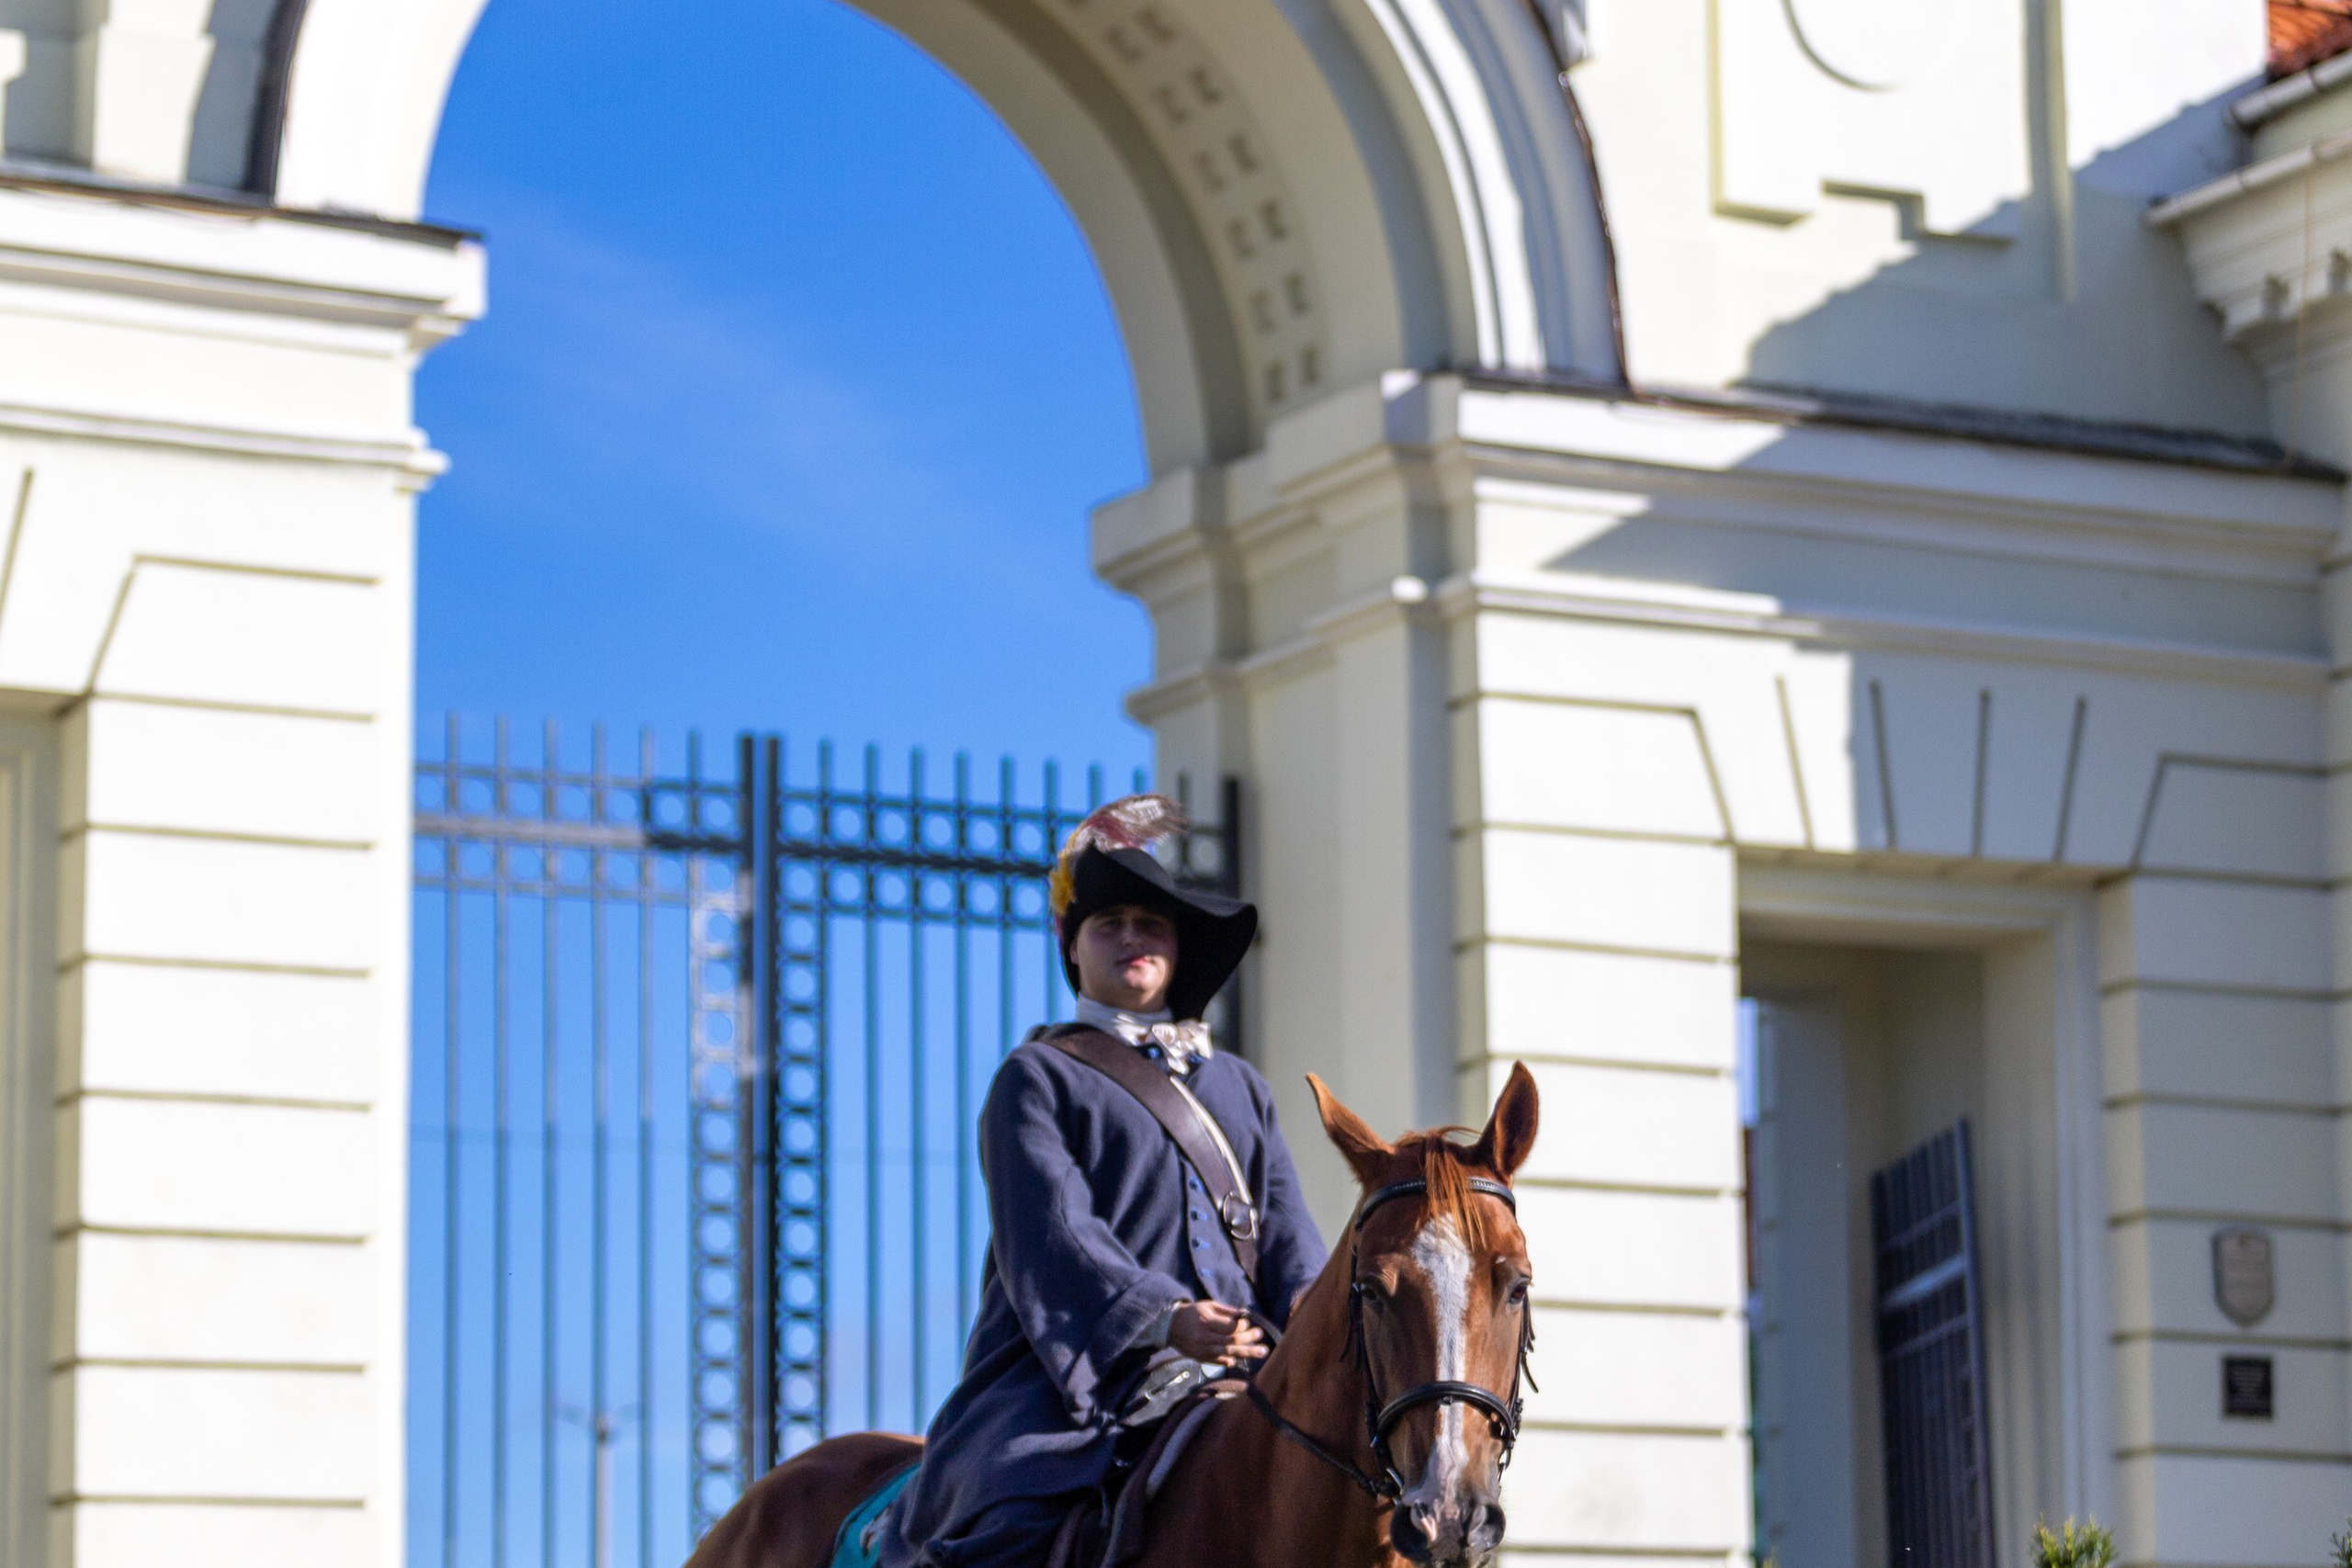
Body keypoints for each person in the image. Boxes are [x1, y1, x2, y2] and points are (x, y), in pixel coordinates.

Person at [878, 795, 1327, 1568]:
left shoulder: (1242, 1088)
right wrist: (1166, 1318)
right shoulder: (1035, 1077)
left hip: (1246, 1370)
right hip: (1070, 1385)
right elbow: (1054, 1239)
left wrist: (1314, 1317)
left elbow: (1288, 1233)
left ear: (1178, 947)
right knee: (1000, 1525)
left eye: (1150, 922)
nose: (1131, 936)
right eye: (1108, 923)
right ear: (1074, 948)